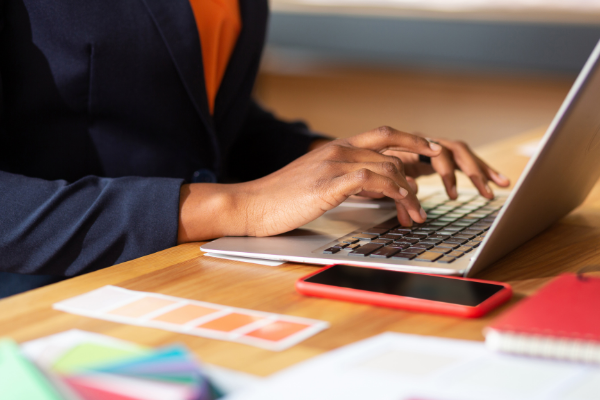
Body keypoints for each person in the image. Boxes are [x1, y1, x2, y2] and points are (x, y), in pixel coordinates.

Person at [0, 0, 509, 298]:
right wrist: (235, 206)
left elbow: (201, 120)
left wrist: (342, 165)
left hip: (189, 279)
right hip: (48, 297)